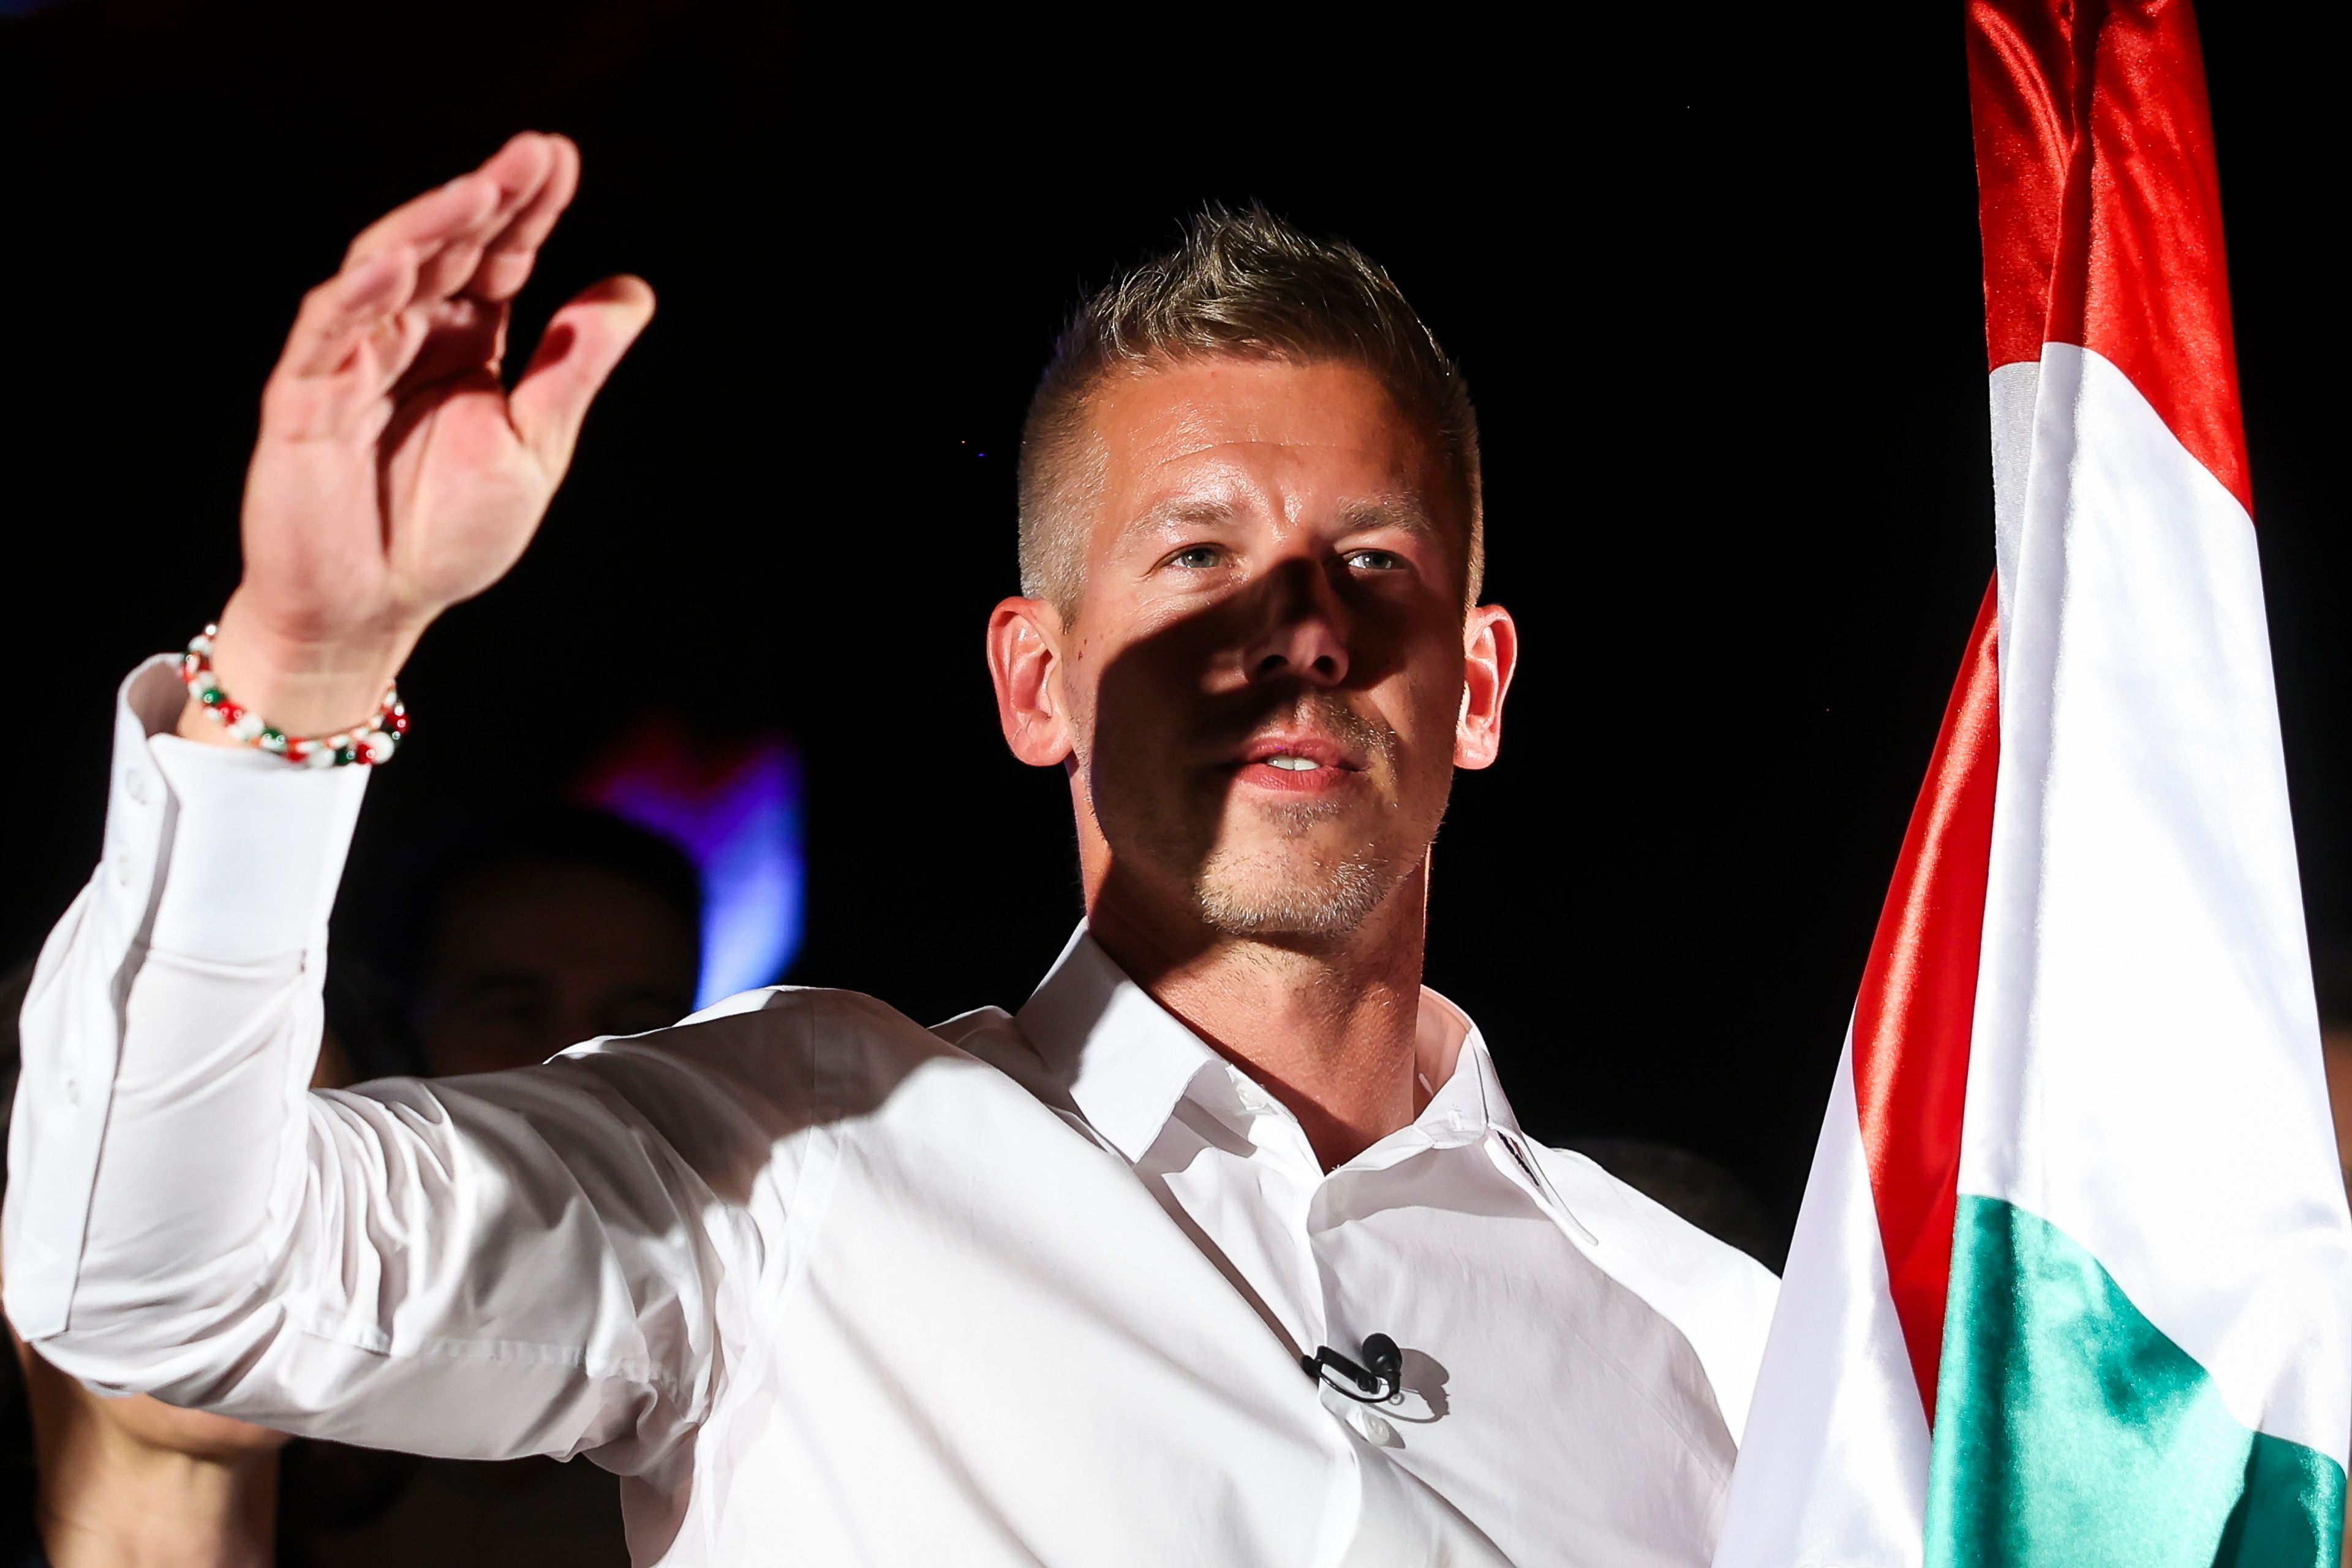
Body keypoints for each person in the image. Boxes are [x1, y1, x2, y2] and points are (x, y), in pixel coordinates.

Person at [2, 133, 1776, 1564]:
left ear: (1474, 686)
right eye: (1197, 557)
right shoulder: (786, 1165)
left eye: (1372, 564)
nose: (1299, 629)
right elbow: (150, 1282)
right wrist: (302, 669)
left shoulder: (1736, 1347)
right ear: (1035, 682)